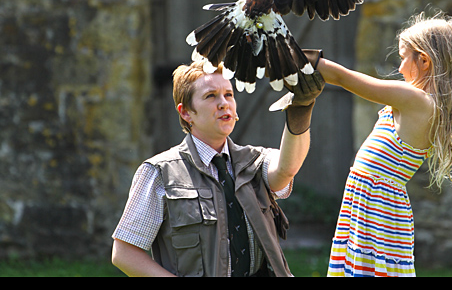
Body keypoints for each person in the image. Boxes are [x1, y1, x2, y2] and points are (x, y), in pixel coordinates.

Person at [111, 59, 324, 277]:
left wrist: (301, 108)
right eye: (210, 96)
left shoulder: (255, 161)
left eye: (229, 95)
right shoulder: (159, 173)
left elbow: (286, 170)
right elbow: (125, 252)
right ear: (186, 113)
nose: (224, 103)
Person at [318, 12, 452, 277]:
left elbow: (342, 78)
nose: (401, 67)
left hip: (377, 205)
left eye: (404, 58)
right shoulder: (422, 103)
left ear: (424, 61)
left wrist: (297, 57)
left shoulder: (416, 100)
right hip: (373, 200)